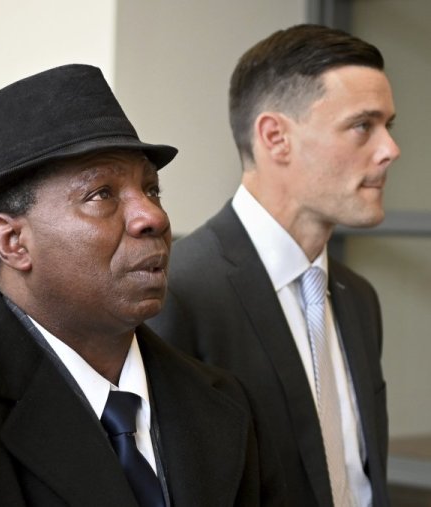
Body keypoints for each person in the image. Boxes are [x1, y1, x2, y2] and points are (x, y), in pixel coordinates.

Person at [0, 64, 285, 506]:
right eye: (102, 194)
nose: (152, 217)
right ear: (13, 241)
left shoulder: (223, 401)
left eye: (152, 190)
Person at [148, 24, 399, 507]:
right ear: (275, 137)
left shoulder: (358, 296)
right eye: (363, 125)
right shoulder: (178, 291)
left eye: (390, 125)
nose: (390, 149)